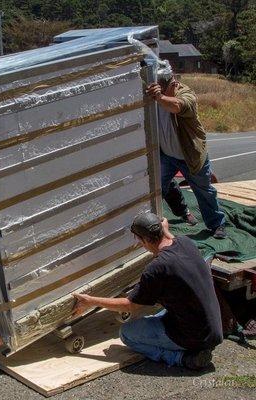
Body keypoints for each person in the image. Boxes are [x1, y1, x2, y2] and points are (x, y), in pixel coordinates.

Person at [73, 212, 223, 370]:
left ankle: (182, 358)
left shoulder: (157, 268)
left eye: (139, 240)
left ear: (143, 240)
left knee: (127, 334)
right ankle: (194, 345)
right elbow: (171, 238)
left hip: (194, 336)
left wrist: (90, 301)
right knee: (157, 315)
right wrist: (164, 229)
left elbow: (129, 305)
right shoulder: (186, 242)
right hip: (213, 330)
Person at [146, 64, 226, 239]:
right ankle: (183, 211)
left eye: (165, 87)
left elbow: (177, 106)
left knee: (204, 191)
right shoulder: (154, 98)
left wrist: (159, 96)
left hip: (190, 156)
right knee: (158, 185)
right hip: (167, 155)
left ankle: (217, 225)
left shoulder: (185, 94)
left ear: (172, 84)